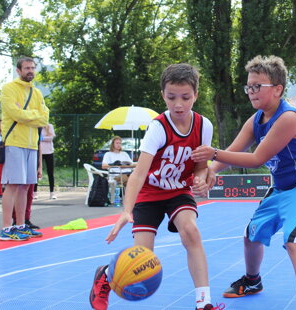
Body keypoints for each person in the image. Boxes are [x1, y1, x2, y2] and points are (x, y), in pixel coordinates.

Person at [191, 55, 296, 310]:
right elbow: (232, 151)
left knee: (295, 239)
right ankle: (252, 280)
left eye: (258, 86)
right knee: (251, 235)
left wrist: (212, 153)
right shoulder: (256, 120)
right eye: (249, 86)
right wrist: (209, 173)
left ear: (277, 89)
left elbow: (257, 158)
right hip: (281, 188)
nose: (251, 91)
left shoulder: (288, 118)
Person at [89, 63, 224, 310]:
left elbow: (200, 166)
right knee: (142, 259)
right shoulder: (158, 127)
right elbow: (139, 174)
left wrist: (202, 178)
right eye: (172, 98)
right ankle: (106, 274)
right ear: (163, 95)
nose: (178, 104)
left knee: (191, 231)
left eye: (185, 97)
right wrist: (126, 211)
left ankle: (203, 302)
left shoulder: (204, 126)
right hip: (149, 193)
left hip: (178, 192)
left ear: (196, 94)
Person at [0, 56, 49, 241]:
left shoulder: (36, 93)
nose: (30, 71)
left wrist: (28, 115)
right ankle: (6, 228)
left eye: (33, 68)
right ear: (18, 70)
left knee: (25, 186)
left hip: (31, 143)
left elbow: (45, 118)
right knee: (12, 185)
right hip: (15, 142)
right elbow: (14, 113)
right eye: (27, 68)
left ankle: (21, 225)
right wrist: (33, 116)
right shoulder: (8, 89)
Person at [34, 123, 56, 199]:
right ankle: (35, 192)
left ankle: (52, 192)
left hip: (49, 152)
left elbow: (51, 138)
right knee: (36, 172)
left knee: (50, 172)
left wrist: (42, 138)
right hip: (39, 152)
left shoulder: (49, 126)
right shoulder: (36, 126)